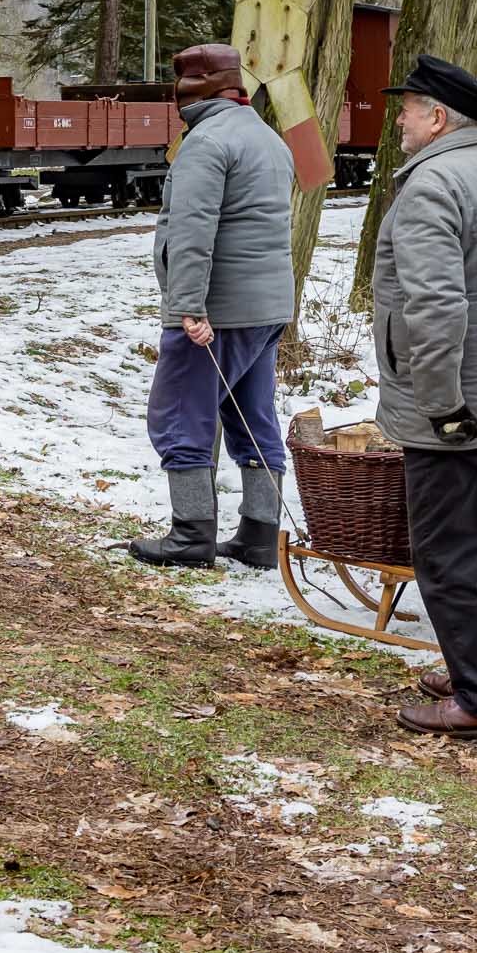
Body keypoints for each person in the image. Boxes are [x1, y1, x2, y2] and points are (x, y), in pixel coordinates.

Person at [371, 51, 477, 740]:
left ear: (437, 116)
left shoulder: (432, 185)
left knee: (446, 552)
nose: (399, 119)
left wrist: (440, 401)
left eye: (406, 108)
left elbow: (436, 307)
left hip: (454, 399)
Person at [121, 42, 295, 569]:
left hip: (217, 310)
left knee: (179, 415)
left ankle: (191, 535)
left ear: (193, 89)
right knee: (254, 416)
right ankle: (260, 535)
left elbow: (193, 233)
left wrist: (189, 307)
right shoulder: (268, 138)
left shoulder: (206, 141)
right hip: (268, 308)